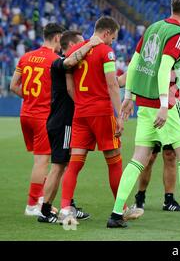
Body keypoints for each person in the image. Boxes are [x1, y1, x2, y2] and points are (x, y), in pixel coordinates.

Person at [107, 0, 180, 230]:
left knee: (138, 159)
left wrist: (129, 96)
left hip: (144, 106)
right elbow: (165, 67)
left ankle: (116, 214)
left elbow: (135, 62)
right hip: (167, 105)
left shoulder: (152, 28)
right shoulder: (178, 34)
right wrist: (165, 105)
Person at [58, 16, 124, 224]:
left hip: (80, 112)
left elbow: (70, 87)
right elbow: (112, 85)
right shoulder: (106, 51)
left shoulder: (76, 51)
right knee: (114, 160)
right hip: (102, 112)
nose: (112, 42)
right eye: (112, 38)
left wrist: (82, 104)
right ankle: (121, 208)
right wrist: (120, 114)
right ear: (106, 33)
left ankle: (65, 209)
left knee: (75, 163)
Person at [124, 55, 180, 218]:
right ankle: (140, 196)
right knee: (148, 158)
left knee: (170, 155)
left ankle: (169, 199)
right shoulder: (150, 57)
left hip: (173, 111)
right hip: (152, 110)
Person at [38, 31, 103, 223]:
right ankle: (45, 210)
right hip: (63, 122)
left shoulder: (72, 65)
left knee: (68, 166)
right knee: (58, 166)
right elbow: (69, 62)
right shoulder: (60, 62)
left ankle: (69, 206)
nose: (84, 46)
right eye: (80, 43)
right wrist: (90, 44)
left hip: (65, 121)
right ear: (72, 44)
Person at [10, 23, 64, 217]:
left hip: (26, 114)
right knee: (42, 160)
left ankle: (39, 198)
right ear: (57, 37)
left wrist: (30, 98)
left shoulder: (26, 57)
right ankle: (32, 204)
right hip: (42, 116)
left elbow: (13, 86)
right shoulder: (55, 60)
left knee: (39, 159)